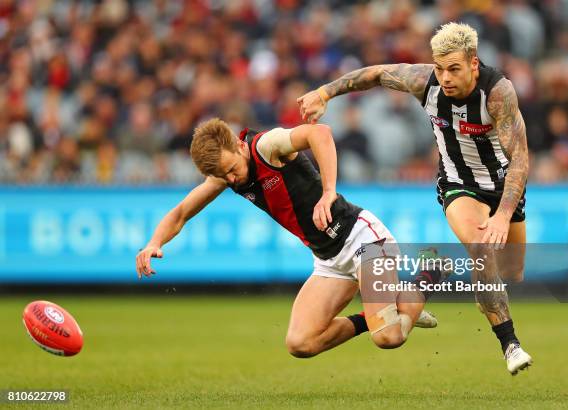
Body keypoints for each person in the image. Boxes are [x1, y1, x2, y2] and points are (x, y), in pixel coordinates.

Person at [297, 22, 532, 375]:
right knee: (482, 252)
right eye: (440, 67)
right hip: (458, 185)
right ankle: (510, 344)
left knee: (512, 272)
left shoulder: (497, 93)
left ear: (473, 63)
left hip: (503, 185)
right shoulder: (426, 82)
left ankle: (431, 272)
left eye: (454, 68)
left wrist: (502, 215)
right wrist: (325, 92)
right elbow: (376, 74)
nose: (446, 77)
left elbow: (521, 159)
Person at [136, 118, 443, 358]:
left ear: (238, 147)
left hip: (364, 240)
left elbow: (319, 133)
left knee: (389, 337)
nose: (231, 179)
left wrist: (328, 192)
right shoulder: (225, 174)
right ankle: (380, 311)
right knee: (301, 343)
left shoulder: (266, 147)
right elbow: (180, 213)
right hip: (329, 261)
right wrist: (154, 243)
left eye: (231, 169)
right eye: (224, 176)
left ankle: (431, 270)